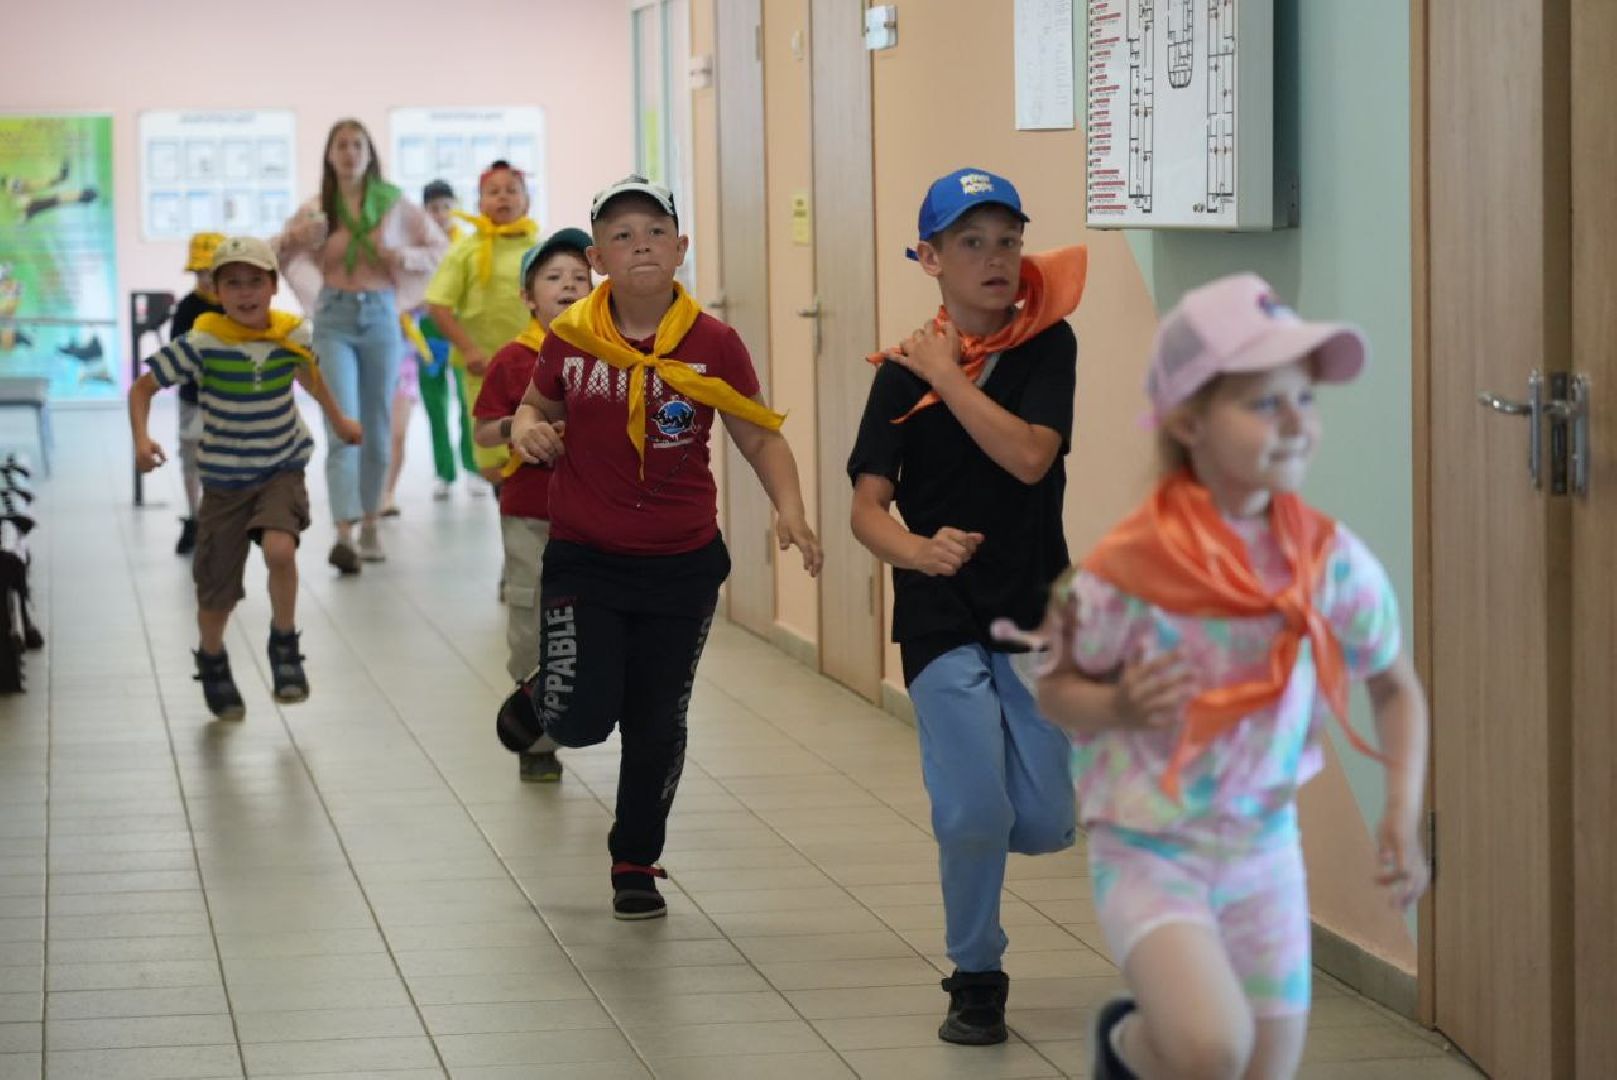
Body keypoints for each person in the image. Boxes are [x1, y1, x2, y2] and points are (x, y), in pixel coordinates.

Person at [1023, 274, 1431, 1080]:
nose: (1294, 425)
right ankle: (1129, 1045)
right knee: (1212, 1049)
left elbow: (1392, 684)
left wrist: (1400, 813)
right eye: (1261, 404)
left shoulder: (1326, 562)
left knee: (1261, 1068)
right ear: (1188, 421)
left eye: (1302, 401)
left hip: (1262, 848)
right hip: (1146, 846)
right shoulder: (1129, 570)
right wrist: (1116, 703)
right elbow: (1052, 688)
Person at [494, 175, 822, 920]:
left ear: (680, 247)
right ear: (599, 258)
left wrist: (791, 510)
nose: (639, 243)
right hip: (585, 554)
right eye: (620, 234)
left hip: (681, 564)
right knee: (580, 720)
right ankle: (542, 694)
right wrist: (525, 429)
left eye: (654, 230)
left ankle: (634, 859)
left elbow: (756, 431)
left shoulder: (712, 343)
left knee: (655, 718)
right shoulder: (571, 335)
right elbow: (533, 405)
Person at [847, 167, 1087, 1046]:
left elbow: (1028, 458)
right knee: (970, 811)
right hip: (938, 613)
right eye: (972, 243)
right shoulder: (894, 380)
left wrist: (949, 376)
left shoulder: (1045, 349)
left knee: (1047, 817)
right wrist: (916, 552)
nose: (995, 259)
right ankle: (975, 973)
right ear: (931, 258)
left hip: (1033, 606)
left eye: (1008, 241)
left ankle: (997, 847)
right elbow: (866, 509)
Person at [127, 237, 363, 719]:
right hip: (224, 481)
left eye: (255, 280)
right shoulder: (202, 341)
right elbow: (143, 386)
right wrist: (141, 440)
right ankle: (212, 658)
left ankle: (285, 646)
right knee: (217, 589)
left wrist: (339, 420)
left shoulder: (292, 334)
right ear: (216, 290)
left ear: (273, 286)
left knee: (281, 549)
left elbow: (308, 376)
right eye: (232, 283)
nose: (245, 292)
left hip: (280, 467)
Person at [277, 118, 446, 572]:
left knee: (375, 421)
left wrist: (400, 257)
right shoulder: (319, 208)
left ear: (369, 153)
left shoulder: (395, 207)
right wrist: (296, 239)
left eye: (357, 145)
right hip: (333, 317)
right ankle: (344, 532)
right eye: (341, 146)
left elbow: (438, 249)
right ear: (330, 155)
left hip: (380, 317)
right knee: (342, 422)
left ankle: (371, 520)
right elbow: (281, 252)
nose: (350, 153)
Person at [472, 227, 592, 781]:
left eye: (580, 279)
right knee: (531, 618)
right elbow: (482, 432)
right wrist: (521, 426)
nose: (568, 287)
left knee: (589, 620)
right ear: (528, 295)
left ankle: (580, 703)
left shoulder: (606, 354)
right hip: (529, 511)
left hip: (595, 512)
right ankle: (536, 734)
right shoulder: (512, 359)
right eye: (553, 278)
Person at [424, 160, 538, 493]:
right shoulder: (466, 251)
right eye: (493, 191)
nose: (503, 197)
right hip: (485, 369)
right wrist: (468, 348)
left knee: (539, 445)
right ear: (479, 204)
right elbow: (437, 304)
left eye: (512, 190)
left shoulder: (539, 248)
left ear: (526, 201)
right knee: (494, 462)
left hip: (536, 368)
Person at [413, 179, 477, 499]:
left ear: (456, 207)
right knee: (435, 404)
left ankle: (473, 467)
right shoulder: (417, 247)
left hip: (461, 327)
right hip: (427, 330)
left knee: (468, 400)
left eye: (445, 207)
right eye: (433, 208)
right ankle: (444, 471)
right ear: (424, 212)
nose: (440, 214)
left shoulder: (468, 245)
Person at [169, 231, 226, 555]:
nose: (206, 279)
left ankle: (219, 519)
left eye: (212, 273)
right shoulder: (187, 308)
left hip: (229, 402)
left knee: (224, 461)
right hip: (193, 398)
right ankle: (195, 517)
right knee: (191, 458)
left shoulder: (236, 307)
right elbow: (177, 349)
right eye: (200, 272)